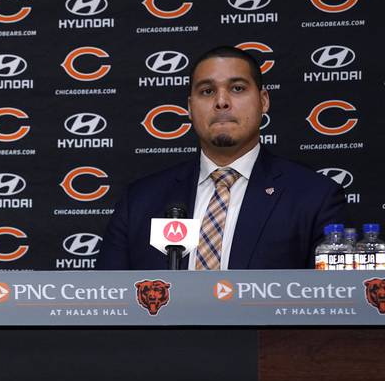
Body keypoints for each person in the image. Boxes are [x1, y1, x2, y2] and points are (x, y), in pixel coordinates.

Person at [97, 46, 345, 270]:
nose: (222, 102)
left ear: (263, 101)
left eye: (237, 88)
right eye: (207, 91)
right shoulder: (140, 200)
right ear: (190, 107)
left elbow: (335, 303)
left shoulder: (315, 196)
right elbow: (109, 301)